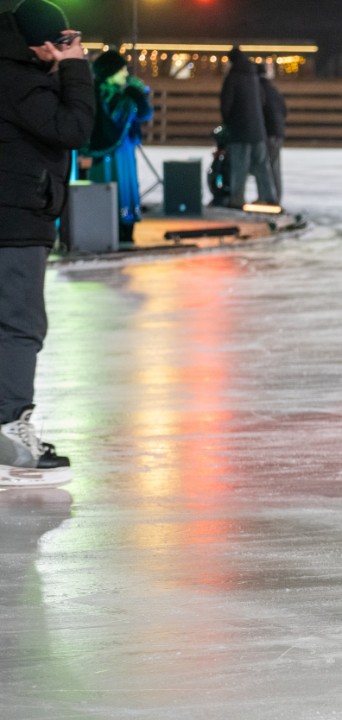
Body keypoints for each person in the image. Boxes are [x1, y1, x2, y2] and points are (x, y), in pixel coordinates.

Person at [0, 0, 93, 485]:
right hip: (14, 221)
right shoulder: (19, 79)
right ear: (37, 44)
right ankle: (10, 439)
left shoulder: (17, 73)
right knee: (19, 326)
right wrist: (76, 70)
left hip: (14, 214)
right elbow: (74, 128)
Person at [84, 50, 152, 247]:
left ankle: (126, 226)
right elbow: (105, 124)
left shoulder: (125, 94)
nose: (125, 74)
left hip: (124, 152)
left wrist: (138, 96)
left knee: (126, 188)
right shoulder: (99, 94)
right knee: (109, 186)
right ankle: (107, 227)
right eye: (122, 70)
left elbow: (144, 115)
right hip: (105, 155)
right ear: (110, 72)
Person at [220, 46, 277, 208]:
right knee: (261, 165)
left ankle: (237, 199)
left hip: (240, 129)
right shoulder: (253, 76)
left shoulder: (232, 78)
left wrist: (227, 122)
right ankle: (268, 197)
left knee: (239, 165)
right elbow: (262, 100)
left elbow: (226, 104)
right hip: (258, 129)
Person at [257, 65, 286, 203]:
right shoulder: (273, 89)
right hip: (278, 132)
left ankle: (270, 198)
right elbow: (284, 110)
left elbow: (259, 111)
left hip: (269, 132)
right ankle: (276, 196)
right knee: (274, 166)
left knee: (267, 166)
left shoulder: (259, 89)